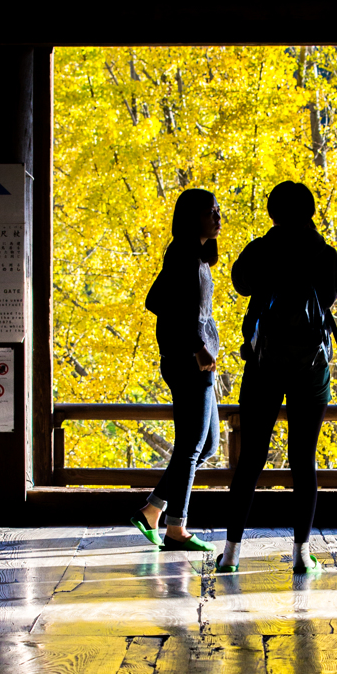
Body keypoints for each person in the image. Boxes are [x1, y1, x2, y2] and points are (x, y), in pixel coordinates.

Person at [217, 180, 337, 574]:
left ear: (272, 212)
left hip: (263, 366)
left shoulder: (260, 249)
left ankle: (232, 554)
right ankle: (302, 556)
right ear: (310, 211)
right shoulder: (323, 253)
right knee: (303, 460)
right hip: (311, 369)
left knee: (251, 458)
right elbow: (331, 293)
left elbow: (240, 283)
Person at [130, 188, 221, 552]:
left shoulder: (192, 256)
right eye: (211, 211)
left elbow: (157, 300)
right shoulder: (183, 255)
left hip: (196, 359)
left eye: (218, 211)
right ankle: (175, 527)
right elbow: (167, 307)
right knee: (190, 446)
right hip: (188, 362)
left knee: (208, 443)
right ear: (191, 217)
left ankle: (152, 510)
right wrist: (197, 348)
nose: (217, 217)